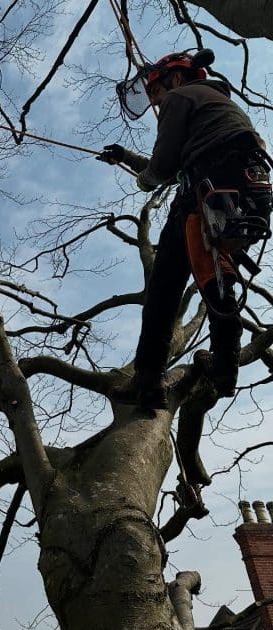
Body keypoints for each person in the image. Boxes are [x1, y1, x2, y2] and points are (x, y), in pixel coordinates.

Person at [98, 50, 272, 409]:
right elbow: (179, 163)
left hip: (205, 186)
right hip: (247, 187)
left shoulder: (180, 97)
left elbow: (162, 166)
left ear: (174, 79)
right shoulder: (214, 104)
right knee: (217, 269)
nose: (156, 100)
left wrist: (144, 181)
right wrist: (126, 158)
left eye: (156, 91)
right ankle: (224, 365)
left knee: (166, 288)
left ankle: (151, 380)